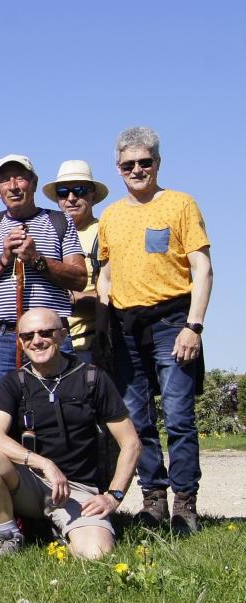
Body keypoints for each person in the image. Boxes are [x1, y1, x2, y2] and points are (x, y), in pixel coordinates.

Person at [98, 126, 213, 533]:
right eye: (128, 164)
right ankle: (153, 502)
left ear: (157, 163)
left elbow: (202, 268)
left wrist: (193, 327)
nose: (137, 169)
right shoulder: (111, 215)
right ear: (118, 168)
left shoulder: (181, 204)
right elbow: (107, 270)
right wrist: (104, 301)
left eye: (144, 162)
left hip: (172, 321)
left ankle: (185, 504)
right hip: (126, 327)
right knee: (138, 419)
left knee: (179, 417)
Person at [0, 308, 140, 559]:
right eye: (27, 336)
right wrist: (44, 463)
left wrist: (114, 496)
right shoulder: (13, 381)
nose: (36, 341)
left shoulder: (92, 378)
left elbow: (131, 444)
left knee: (96, 554)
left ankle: (54, 530)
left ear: (63, 335)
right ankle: (9, 534)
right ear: (20, 342)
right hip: (29, 483)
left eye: (45, 333)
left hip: (78, 490)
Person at [0, 155, 87, 418]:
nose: (13, 186)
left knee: (62, 412)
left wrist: (37, 259)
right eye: (4, 180)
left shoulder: (60, 222)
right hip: (2, 337)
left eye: (20, 177)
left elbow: (79, 278)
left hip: (51, 336)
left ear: (33, 182)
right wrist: (3, 259)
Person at [43, 161, 110, 365]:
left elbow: (116, 294)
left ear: (92, 195)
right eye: (63, 192)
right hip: (47, 348)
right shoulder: (45, 235)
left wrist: (69, 300)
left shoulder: (105, 232)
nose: (71, 198)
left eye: (79, 190)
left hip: (90, 347)